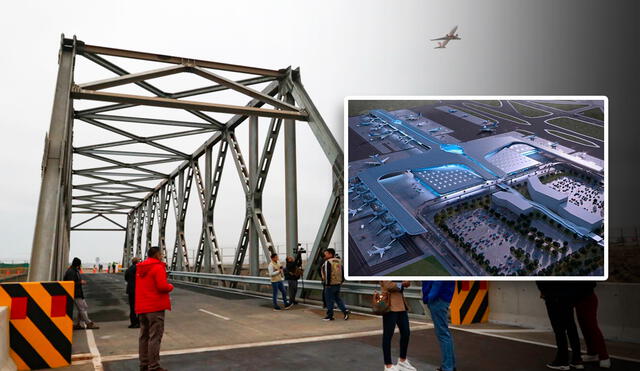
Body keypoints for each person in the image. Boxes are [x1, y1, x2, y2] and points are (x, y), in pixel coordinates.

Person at [136, 247, 174, 371]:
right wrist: (170, 286)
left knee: (144, 336)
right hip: (155, 307)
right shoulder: (158, 267)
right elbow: (162, 286)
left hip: (142, 307)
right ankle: (154, 366)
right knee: (155, 337)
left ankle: (144, 364)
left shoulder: (140, 268)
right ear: (157, 255)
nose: (162, 256)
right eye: (161, 254)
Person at [536, 282, 583, 370]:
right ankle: (577, 359)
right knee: (571, 327)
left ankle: (562, 360)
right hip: (568, 295)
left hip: (553, 295)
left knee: (559, 329)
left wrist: (543, 291)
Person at [380, 281, 416, 371]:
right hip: (389, 305)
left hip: (401, 305)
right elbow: (388, 285)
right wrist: (402, 284)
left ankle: (402, 361)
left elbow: (404, 284)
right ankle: (388, 365)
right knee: (388, 335)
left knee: (406, 333)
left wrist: (406, 283)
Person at [574, 282, 610, 368]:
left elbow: (590, 284)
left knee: (592, 327)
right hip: (579, 298)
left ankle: (604, 356)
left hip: (587, 298)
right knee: (585, 327)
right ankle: (592, 353)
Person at [422, 281, 455, 371]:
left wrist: (429, 298)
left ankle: (447, 367)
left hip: (437, 300)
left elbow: (438, 282)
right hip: (441, 298)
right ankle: (450, 365)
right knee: (445, 334)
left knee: (443, 334)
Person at [63, 257, 99, 330]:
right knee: (82, 308)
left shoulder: (74, 270)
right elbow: (71, 283)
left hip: (78, 292)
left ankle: (79, 324)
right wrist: (80, 282)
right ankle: (88, 323)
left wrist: (80, 281)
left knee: (83, 307)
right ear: (77, 264)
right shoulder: (71, 271)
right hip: (75, 293)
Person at [321, 248, 350, 321]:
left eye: (326, 253)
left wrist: (327, 284)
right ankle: (345, 311)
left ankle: (330, 315)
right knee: (338, 299)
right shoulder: (339, 261)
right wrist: (341, 281)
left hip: (330, 284)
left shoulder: (328, 262)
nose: (325, 254)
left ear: (330, 254)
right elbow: (343, 272)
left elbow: (327, 274)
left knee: (329, 300)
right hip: (338, 283)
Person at [125, 257, 141, 328]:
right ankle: (138, 322)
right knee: (140, 307)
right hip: (138, 289)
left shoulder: (129, 269)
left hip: (130, 290)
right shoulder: (139, 268)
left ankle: (133, 323)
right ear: (138, 262)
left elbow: (126, 278)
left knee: (132, 307)